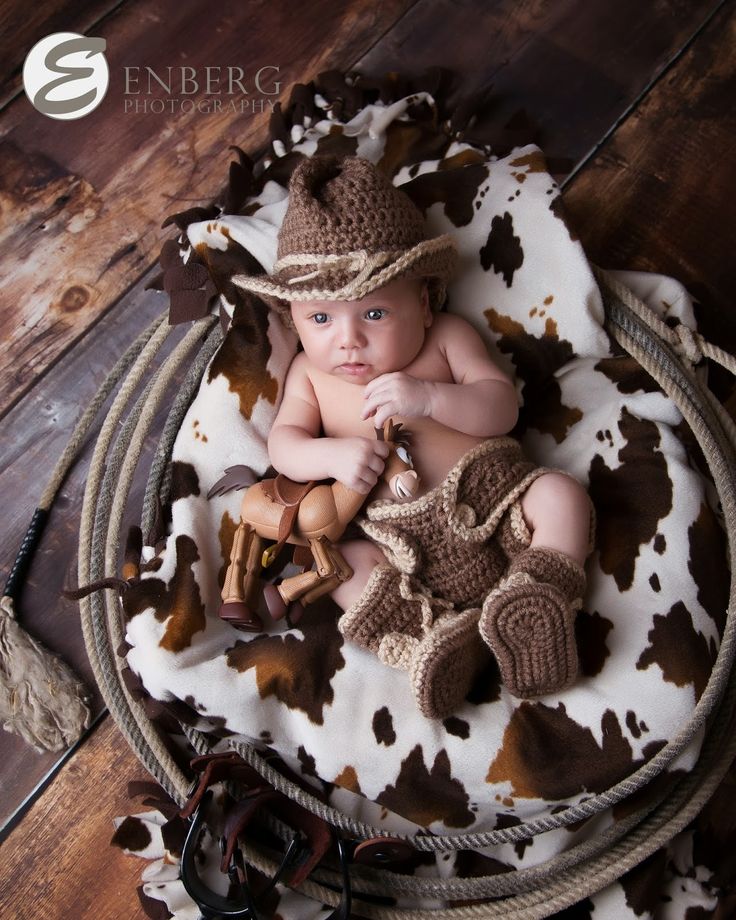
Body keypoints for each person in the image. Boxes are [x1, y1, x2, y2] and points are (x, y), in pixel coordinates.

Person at [234, 156, 593, 719]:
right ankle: (434, 643)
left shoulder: (447, 338)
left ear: (424, 303)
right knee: (345, 565)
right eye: (321, 319)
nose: (348, 342)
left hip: (495, 507)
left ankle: (535, 597)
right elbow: (283, 445)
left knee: (561, 496)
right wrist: (330, 453)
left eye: (374, 312)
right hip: (403, 552)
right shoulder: (309, 376)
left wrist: (431, 398)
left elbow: (501, 405)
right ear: (294, 318)